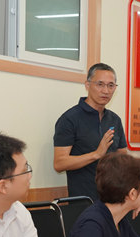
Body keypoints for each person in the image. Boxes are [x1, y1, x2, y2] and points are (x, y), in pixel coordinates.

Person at [53, 63, 128, 201]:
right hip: (84, 201)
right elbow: (59, 163)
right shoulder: (70, 118)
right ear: (87, 85)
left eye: (111, 85)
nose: (106, 91)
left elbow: (123, 157)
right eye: (100, 84)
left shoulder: (114, 119)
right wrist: (96, 154)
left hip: (113, 198)